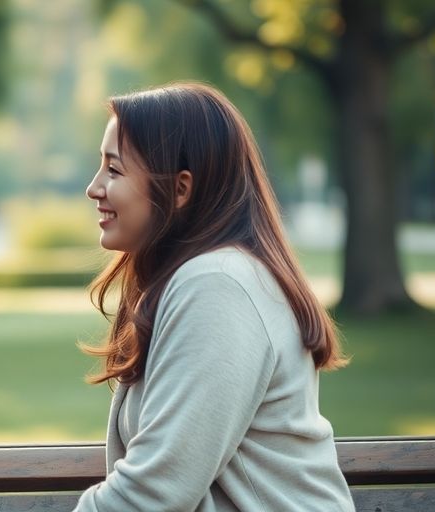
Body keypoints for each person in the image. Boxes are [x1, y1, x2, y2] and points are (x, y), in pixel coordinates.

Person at [74, 83, 355, 511]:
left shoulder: (217, 285)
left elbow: (156, 491)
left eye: (114, 170)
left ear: (181, 189)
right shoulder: (206, 277)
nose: (94, 188)